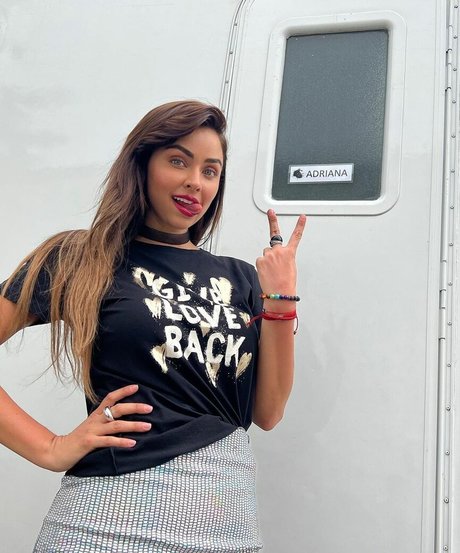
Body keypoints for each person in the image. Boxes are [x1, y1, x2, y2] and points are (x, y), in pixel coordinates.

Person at [0, 100, 306, 552]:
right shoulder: (81, 259)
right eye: (178, 161)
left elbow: (268, 413)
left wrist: (280, 298)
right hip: (104, 524)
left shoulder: (241, 279)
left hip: (227, 525)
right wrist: (50, 448)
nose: (195, 181)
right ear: (141, 165)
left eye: (210, 171)